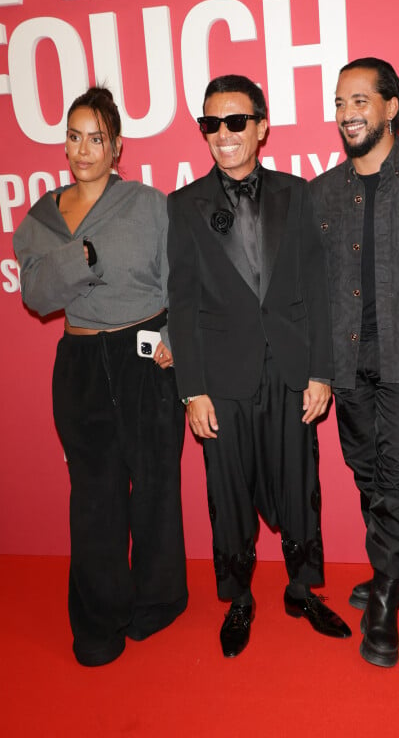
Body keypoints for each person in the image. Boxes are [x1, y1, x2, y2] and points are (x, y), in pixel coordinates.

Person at [166, 74, 351, 658]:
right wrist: (192, 390)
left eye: (236, 121)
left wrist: (321, 371)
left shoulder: (299, 195)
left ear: (262, 126)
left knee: (301, 485)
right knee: (227, 491)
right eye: (211, 124)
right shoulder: (184, 205)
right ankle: (239, 598)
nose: (223, 135)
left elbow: (318, 291)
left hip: (292, 370)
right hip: (221, 379)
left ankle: (301, 590)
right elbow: (184, 303)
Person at [13, 87, 188, 667]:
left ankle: (159, 603)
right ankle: (97, 622)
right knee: (94, 498)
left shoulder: (148, 203)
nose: (82, 149)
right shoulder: (41, 218)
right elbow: (37, 296)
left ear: (117, 147)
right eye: (73, 136)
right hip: (82, 367)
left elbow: (178, 281)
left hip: (146, 360)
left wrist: (173, 340)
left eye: (95, 138)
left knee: (157, 486)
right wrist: (80, 258)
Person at [310, 58, 399, 668]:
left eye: (362, 100)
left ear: (392, 107)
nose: (348, 113)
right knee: (366, 473)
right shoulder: (322, 193)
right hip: (348, 366)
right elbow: (311, 289)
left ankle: (386, 598)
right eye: (341, 102)